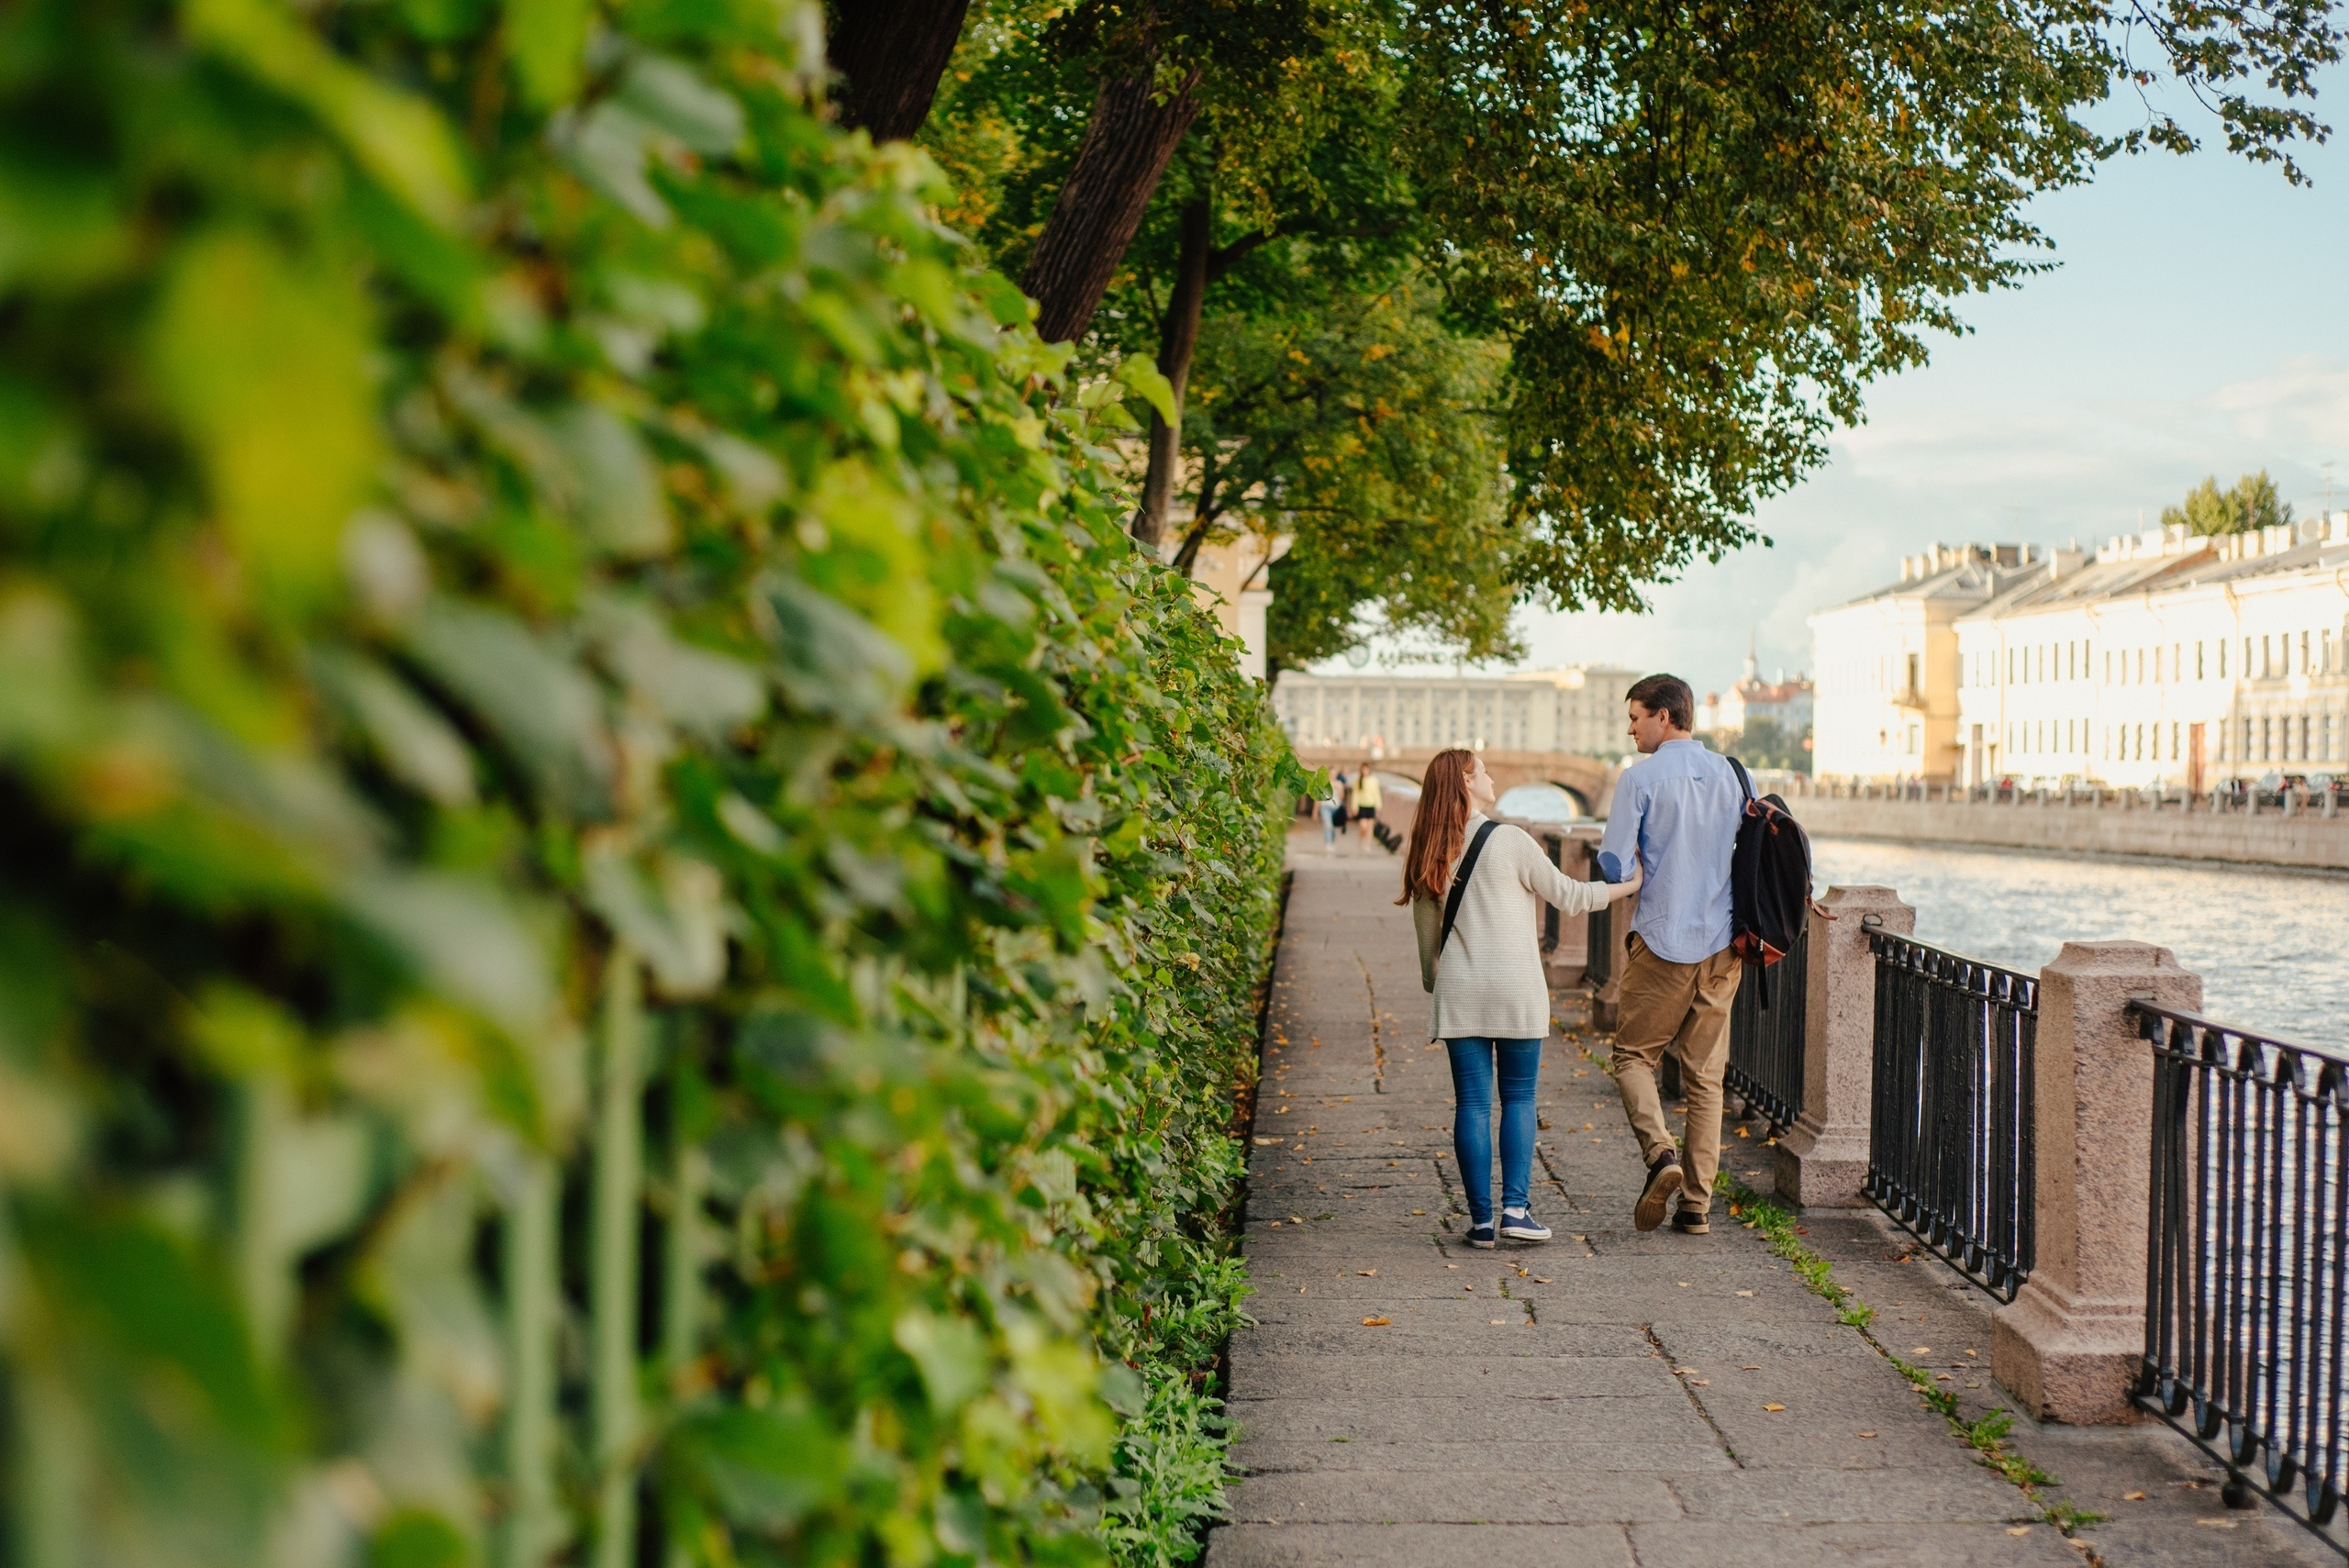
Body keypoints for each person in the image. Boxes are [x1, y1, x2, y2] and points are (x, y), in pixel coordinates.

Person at [1401, 748, 1642, 1248]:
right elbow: (1573, 896)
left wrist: (1442, 986)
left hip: (1461, 993)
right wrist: (1632, 884)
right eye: (1484, 772)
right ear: (1468, 783)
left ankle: (1482, 1222)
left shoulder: (1429, 848)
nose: (1491, 777)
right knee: (1519, 1098)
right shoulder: (1511, 840)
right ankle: (1516, 1209)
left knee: (1471, 1104)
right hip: (1516, 991)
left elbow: (1429, 950)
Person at [1595, 673, 1746, 1236]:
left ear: (1664, 716)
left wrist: (1635, 860)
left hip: (1662, 940)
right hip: (1723, 945)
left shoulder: (1640, 779)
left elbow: (1613, 865)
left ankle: (1661, 1156)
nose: (1631, 729)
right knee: (1706, 1078)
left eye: (1635, 717)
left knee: (1634, 1057)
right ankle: (1696, 1207)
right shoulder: (1733, 774)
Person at [1352, 767, 1384, 847]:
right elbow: (1355, 794)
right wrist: (1354, 806)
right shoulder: (1359, 781)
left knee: (1370, 827)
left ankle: (1367, 845)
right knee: (1363, 826)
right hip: (1362, 805)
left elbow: (1376, 793)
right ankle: (1361, 839)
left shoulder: (1374, 780)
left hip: (1371, 805)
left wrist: (1378, 804)